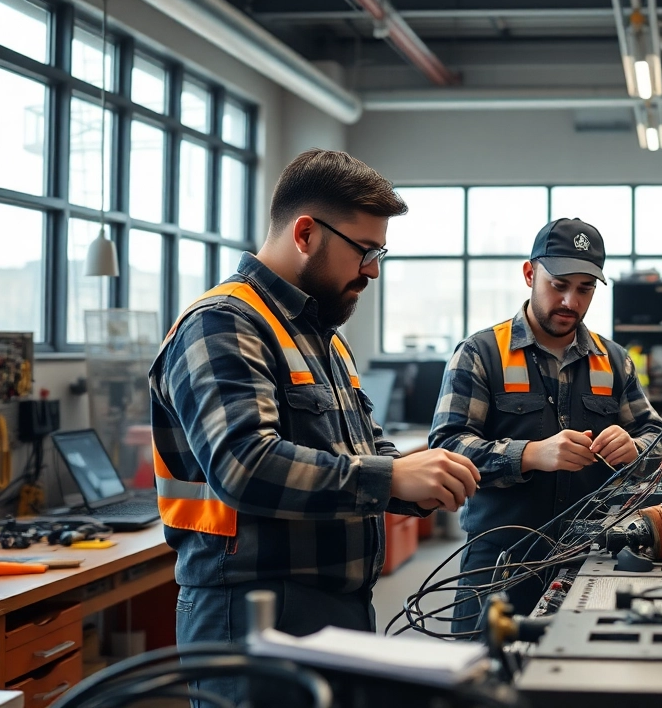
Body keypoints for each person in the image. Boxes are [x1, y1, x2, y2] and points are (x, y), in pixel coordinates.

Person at [150, 150, 481, 703]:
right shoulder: (223, 323)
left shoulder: (321, 335)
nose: (373, 270)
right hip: (253, 610)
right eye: (365, 251)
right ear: (305, 233)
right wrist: (391, 478)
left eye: (379, 253)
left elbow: (359, 447)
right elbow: (244, 465)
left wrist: (419, 477)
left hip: (336, 604)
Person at [431, 218, 662, 633]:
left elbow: (661, 439)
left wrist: (636, 449)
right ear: (529, 274)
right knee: (483, 670)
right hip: (498, 565)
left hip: (590, 560)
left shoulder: (614, 361)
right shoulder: (480, 353)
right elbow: (447, 449)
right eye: (559, 285)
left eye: (585, 289)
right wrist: (530, 455)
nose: (571, 301)